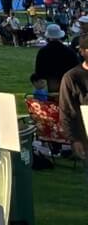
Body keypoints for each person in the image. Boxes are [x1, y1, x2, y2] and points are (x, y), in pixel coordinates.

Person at [57, 35, 88, 187]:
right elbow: (66, 111)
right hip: (85, 135)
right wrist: (74, 139)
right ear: (82, 52)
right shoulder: (72, 77)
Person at [36, 23, 81, 93]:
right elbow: (76, 67)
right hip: (68, 82)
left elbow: (39, 71)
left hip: (51, 82)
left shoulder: (43, 51)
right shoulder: (69, 51)